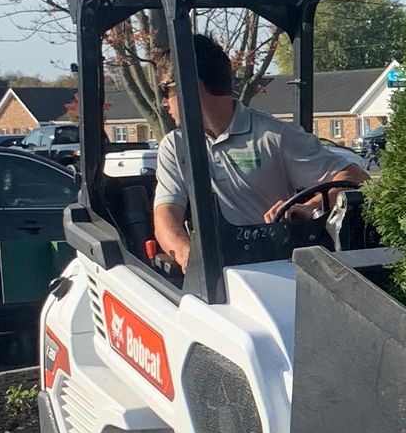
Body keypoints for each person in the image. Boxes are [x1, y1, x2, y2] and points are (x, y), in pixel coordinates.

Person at [151, 35, 366, 275]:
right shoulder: (175, 146)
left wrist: (310, 205)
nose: (163, 103)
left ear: (190, 86)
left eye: (165, 90)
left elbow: (355, 177)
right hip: (213, 279)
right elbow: (166, 214)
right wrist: (186, 254)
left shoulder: (275, 136)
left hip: (276, 268)